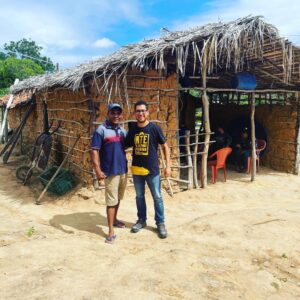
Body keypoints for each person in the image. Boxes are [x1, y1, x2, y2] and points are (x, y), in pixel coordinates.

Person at [125, 100, 171, 239]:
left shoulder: (154, 128)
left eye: (143, 110)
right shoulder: (132, 130)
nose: (141, 113)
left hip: (152, 170)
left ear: (147, 112)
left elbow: (165, 147)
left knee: (157, 197)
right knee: (139, 196)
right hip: (137, 170)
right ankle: (141, 220)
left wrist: (167, 166)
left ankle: (160, 223)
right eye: (138, 111)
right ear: (135, 113)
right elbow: (124, 145)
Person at [90, 103, 127, 244]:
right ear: (108, 114)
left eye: (119, 113)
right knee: (111, 201)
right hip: (110, 172)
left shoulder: (122, 131)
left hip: (122, 170)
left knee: (117, 198)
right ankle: (111, 231)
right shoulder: (101, 130)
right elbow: (94, 151)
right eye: (113, 113)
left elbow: (129, 144)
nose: (116, 116)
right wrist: (98, 170)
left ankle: (115, 220)